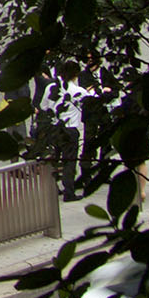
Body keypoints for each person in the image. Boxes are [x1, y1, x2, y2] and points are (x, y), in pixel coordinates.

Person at [39, 59, 90, 201]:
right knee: (69, 161)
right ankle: (69, 191)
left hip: (54, 128)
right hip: (70, 129)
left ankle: (53, 188)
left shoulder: (51, 88)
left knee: (54, 159)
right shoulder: (79, 91)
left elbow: (43, 106)